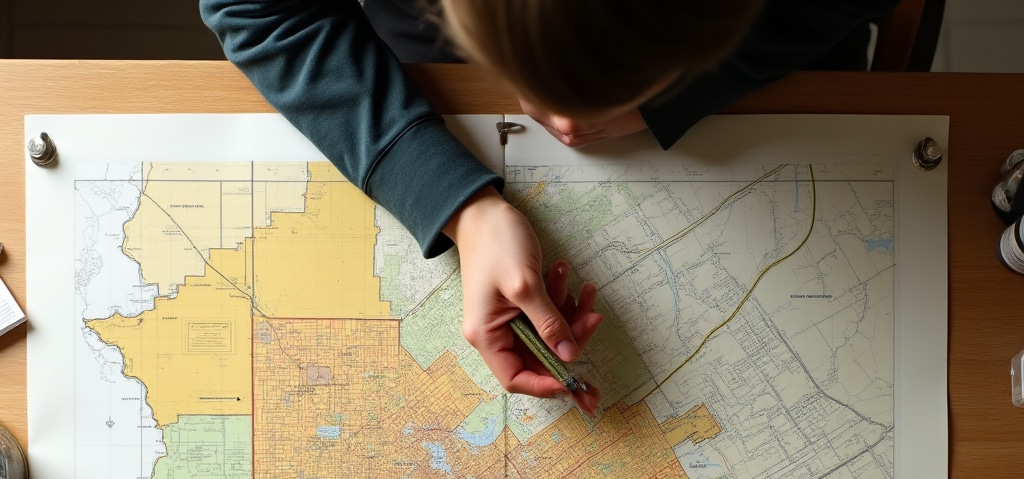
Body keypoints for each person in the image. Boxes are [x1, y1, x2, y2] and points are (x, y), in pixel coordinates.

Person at [199, 0, 901, 417]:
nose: (563, 123)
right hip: (426, 70)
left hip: (782, 84)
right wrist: (454, 201)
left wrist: (680, 92)